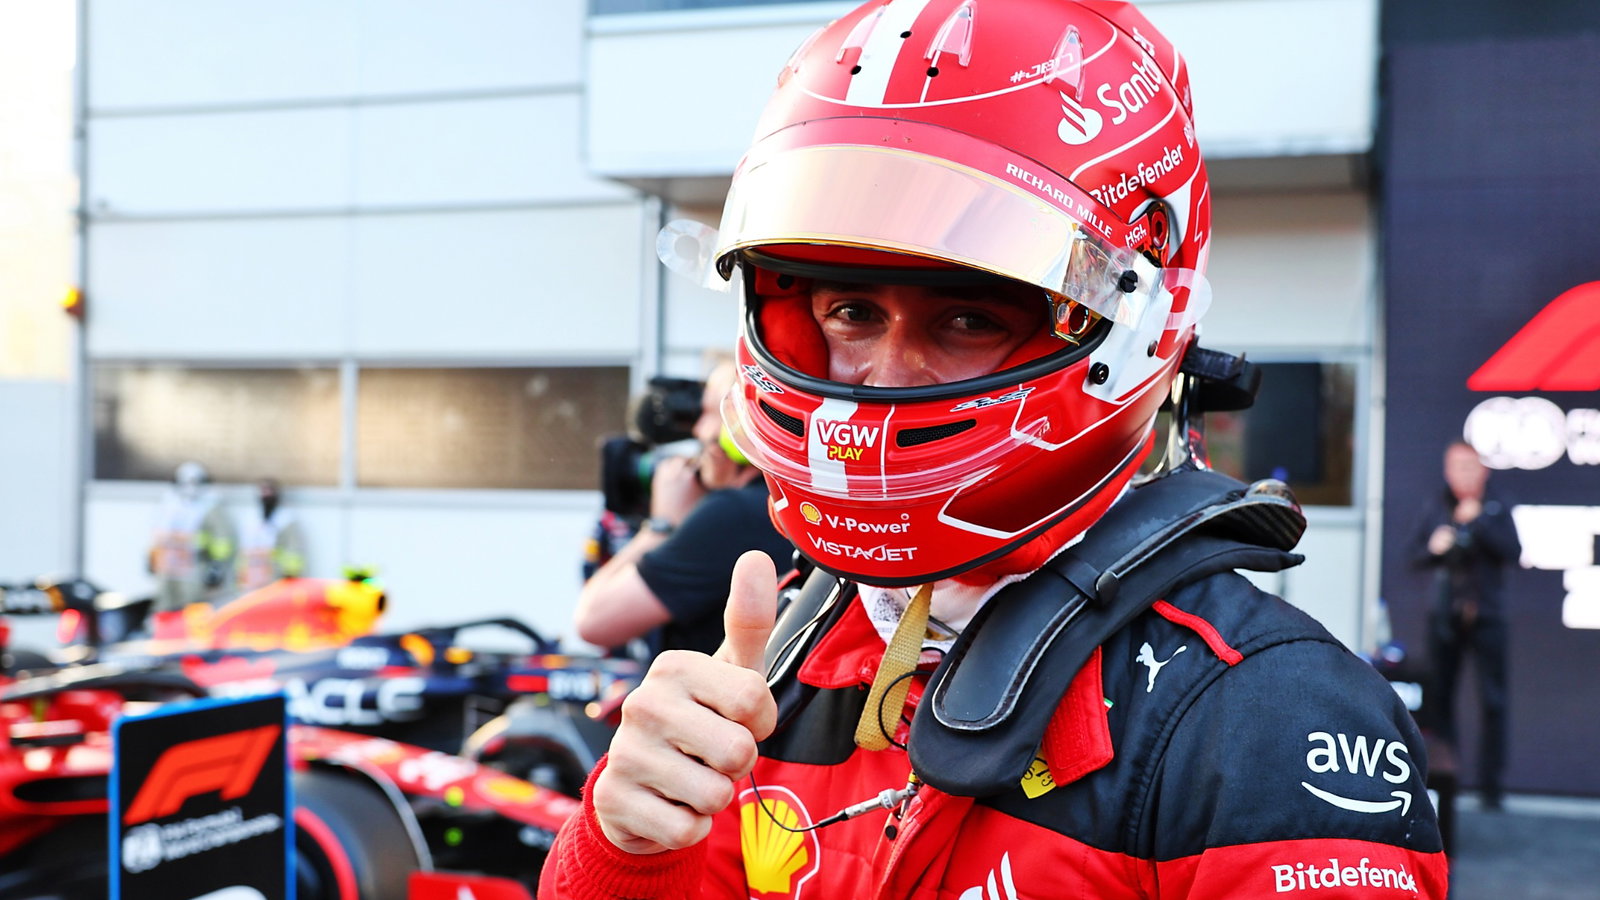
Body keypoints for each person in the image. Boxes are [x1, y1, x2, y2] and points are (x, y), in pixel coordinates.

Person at [539, 1, 1446, 896]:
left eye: (968, 318)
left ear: (1135, 322)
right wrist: (629, 848)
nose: (884, 378)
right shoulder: (792, 647)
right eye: (851, 313)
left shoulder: (1272, 717)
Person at [573, 360, 795, 658]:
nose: (697, 430)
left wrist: (661, 525)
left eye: (709, 412)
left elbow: (593, 623)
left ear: (742, 427)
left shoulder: (733, 514)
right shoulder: (778, 503)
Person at [1413, 440, 1521, 811]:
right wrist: (1435, 546)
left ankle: (1492, 788)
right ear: (1447, 470)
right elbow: (1413, 556)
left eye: (1470, 467)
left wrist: (1476, 522)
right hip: (1445, 617)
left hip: (1486, 615)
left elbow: (1514, 551)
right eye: (1457, 467)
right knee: (1440, 701)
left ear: (1483, 470)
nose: (1464, 474)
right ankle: (1447, 783)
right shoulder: (1437, 504)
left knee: (1493, 701)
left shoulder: (1495, 505)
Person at [148, 460, 236, 612]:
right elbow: (159, 535)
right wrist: (151, 556)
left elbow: (222, 539)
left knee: (191, 609)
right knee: (164, 608)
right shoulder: (170, 505)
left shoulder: (210, 507)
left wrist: (217, 566)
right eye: (185, 482)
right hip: (167, 569)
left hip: (193, 569)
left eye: (194, 482)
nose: (189, 487)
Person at [236, 477, 307, 592]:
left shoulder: (286, 520)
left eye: (270, 491)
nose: (266, 496)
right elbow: (243, 551)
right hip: (250, 579)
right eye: (263, 491)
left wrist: (290, 577)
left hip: (276, 578)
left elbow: (294, 553)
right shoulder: (250, 518)